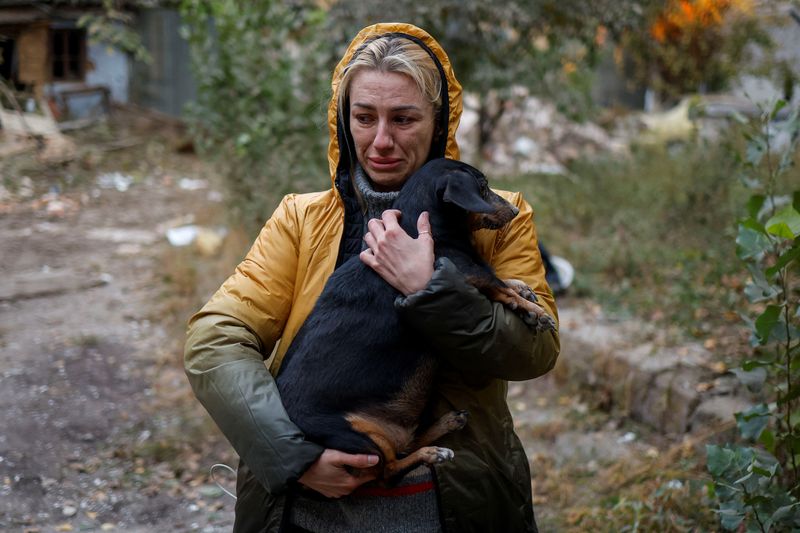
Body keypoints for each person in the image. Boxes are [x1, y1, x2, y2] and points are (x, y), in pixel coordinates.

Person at [184, 23, 560, 533]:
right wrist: (293, 457)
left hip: (449, 511)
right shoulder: (302, 219)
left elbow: (533, 352)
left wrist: (430, 286)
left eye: (404, 119)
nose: (381, 141)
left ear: (438, 121)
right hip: (306, 512)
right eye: (364, 117)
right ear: (344, 120)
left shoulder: (500, 218)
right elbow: (214, 340)